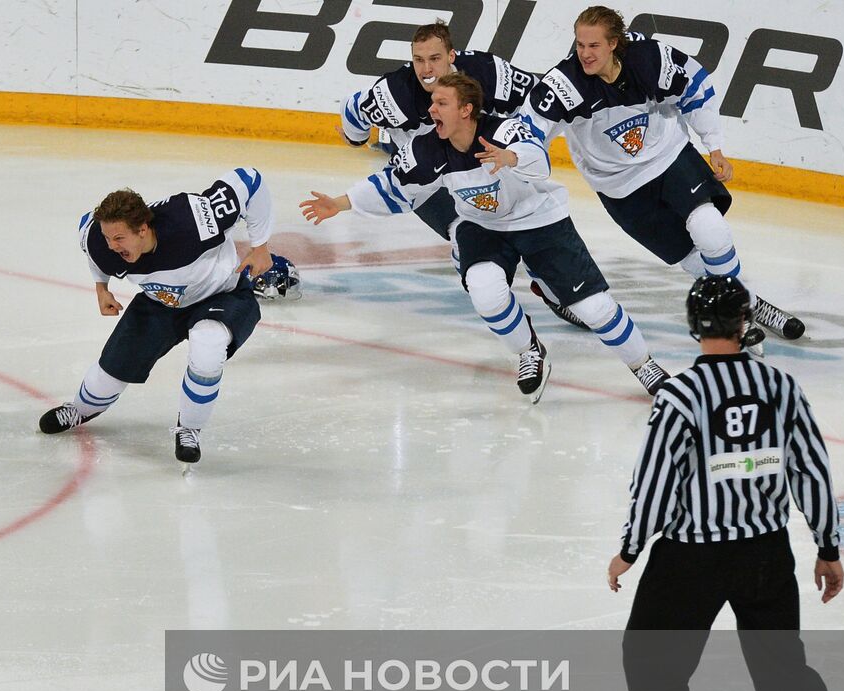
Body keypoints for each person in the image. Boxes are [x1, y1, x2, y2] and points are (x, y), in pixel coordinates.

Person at [608, 274, 844, 691]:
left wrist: (629, 547)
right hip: (766, 553)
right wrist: (827, 545)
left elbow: (656, 482)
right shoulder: (781, 386)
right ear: (746, 325)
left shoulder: (680, 395)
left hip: (691, 558)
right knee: (783, 667)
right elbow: (810, 467)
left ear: (694, 327)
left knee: (651, 663)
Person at [304, 73, 667, 403]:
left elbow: (538, 160)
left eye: (441, 103)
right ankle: (529, 351)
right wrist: (339, 203)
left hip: (539, 220)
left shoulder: (505, 131)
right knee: (484, 288)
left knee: (595, 309)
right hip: (481, 226)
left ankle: (643, 364)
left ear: (466, 109)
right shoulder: (427, 148)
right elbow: (392, 186)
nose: (431, 109)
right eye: (432, 103)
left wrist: (510, 158)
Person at [520, 6, 806, 352]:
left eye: (593, 46)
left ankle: (737, 312)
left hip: (669, 157)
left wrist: (714, 146)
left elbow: (696, 86)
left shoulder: (650, 58)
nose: (584, 53)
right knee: (692, 260)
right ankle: (746, 302)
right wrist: (519, 158)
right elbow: (530, 130)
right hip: (619, 186)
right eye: (580, 44)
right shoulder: (566, 83)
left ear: (614, 44)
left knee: (709, 228)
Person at [339, 22, 582, 327]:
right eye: (419, 60)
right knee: (464, 232)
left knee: (526, 218)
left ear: (451, 56)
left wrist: (521, 146)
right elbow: (352, 110)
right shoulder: (394, 93)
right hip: (426, 174)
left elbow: (534, 100)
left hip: (478, 160)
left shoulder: (485, 71)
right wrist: (355, 138)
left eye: (435, 59)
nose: (427, 69)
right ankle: (498, 306)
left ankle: (551, 290)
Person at [38, 168, 281, 463]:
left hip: (223, 295)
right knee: (110, 374)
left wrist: (261, 246)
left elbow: (249, 179)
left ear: (143, 229)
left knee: (208, 344)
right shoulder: (101, 242)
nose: (112, 247)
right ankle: (81, 409)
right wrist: (101, 288)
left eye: (119, 238)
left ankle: (189, 429)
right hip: (160, 303)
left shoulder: (194, 219)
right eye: (107, 238)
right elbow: (91, 244)